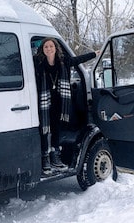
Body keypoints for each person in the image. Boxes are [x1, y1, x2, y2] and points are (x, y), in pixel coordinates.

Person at [34, 37, 99, 176]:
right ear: (42, 49)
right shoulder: (38, 63)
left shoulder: (64, 62)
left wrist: (94, 54)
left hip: (59, 102)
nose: (49, 49)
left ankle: (55, 158)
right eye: (46, 47)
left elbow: (78, 60)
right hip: (45, 102)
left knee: (56, 129)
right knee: (45, 131)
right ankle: (45, 159)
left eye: (51, 46)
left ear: (56, 48)